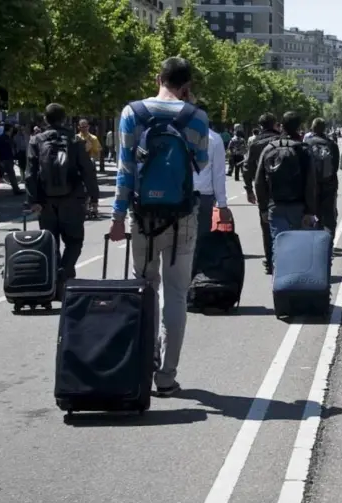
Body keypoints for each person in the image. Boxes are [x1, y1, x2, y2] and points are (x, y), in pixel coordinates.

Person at [109, 56, 210, 397]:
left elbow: (124, 170)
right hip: (182, 217)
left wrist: (117, 217)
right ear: (187, 86)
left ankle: (143, 361)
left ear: (158, 77)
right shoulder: (196, 117)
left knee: (144, 288)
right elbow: (200, 163)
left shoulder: (132, 113)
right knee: (177, 295)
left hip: (143, 219)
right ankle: (167, 376)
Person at [25, 103, 99, 287]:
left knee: (50, 241)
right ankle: (65, 272)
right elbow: (88, 170)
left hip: (46, 201)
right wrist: (94, 196)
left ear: (45, 119)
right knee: (74, 241)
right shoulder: (74, 141)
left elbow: (30, 173)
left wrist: (33, 200)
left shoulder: (36, 140)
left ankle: (57, 275)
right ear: (65, 119)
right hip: (72, 199)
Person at [254, 111, 317, 251]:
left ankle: (278, 272)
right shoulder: (304, 149)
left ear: (281, 126)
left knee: (279, 247)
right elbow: (311, 183)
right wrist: (310, 210)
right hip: (299, 207)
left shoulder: (269, 148)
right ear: (299, 127)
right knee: (299, 249)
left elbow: (259, 181)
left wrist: (263, 208)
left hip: (275, 206)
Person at [243, 113, 281, 274]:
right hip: (285, 188)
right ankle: (284, 259)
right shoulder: (282, 140)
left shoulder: (256, 143)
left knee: (266, 226)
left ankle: (270, 260)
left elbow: (247, 167)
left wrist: (249, 189)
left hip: (264, 190)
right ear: (274, 124)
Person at [191, 102, 231, 242]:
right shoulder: (214, 138)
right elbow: (218, 174)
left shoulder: (178, 134)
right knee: (202, 240)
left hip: (181, 195)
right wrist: (222, 205)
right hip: (204, 195)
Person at [305, 117, 341, 238]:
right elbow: (335, 167)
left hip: (311, 186)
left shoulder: (306, 144)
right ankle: (329, 241)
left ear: (312, 128)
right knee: (329, 216)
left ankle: (313, 239)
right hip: (329, 184)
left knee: (310, 214)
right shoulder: (332, 144)